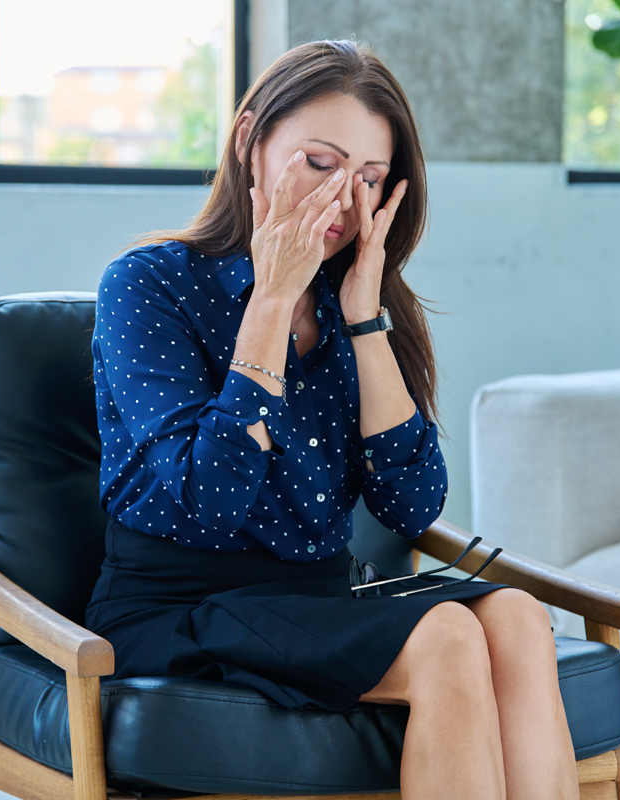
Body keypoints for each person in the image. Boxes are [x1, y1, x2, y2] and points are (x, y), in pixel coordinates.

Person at [86, 39, 579, 800]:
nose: (344, 201)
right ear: (250, 140)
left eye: (370, 180)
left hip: (318, 602)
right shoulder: (149, 284)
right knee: (448, 634)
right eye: (320, 163)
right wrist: (272, 297)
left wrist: (363, 320)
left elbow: (412, 508)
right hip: (181, 607)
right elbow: (208, 501)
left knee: (515, 616)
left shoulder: (364, 303)